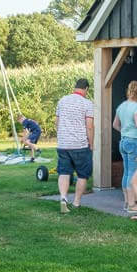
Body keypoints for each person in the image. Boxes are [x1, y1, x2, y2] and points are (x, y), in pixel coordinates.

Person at [55, 78, 95, 214]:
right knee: (82, 174)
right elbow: (89, 127)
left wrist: (61, 137)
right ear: (86, 89)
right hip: (80, 145)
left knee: (64, 172)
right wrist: (91, 143)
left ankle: (63, 198)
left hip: (63, 144)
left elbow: (57, 122)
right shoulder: (87, 103)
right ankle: (76, 202)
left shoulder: (62, 100)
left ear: (75, 87)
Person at [113, 80, 137, 212]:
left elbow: (115, 125)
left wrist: (125, 132)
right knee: (133, 173)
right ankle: (132, 205)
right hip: (134, 142)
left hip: (123, 142)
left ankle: (127, 202)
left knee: (127, 172)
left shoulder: (121, 106)